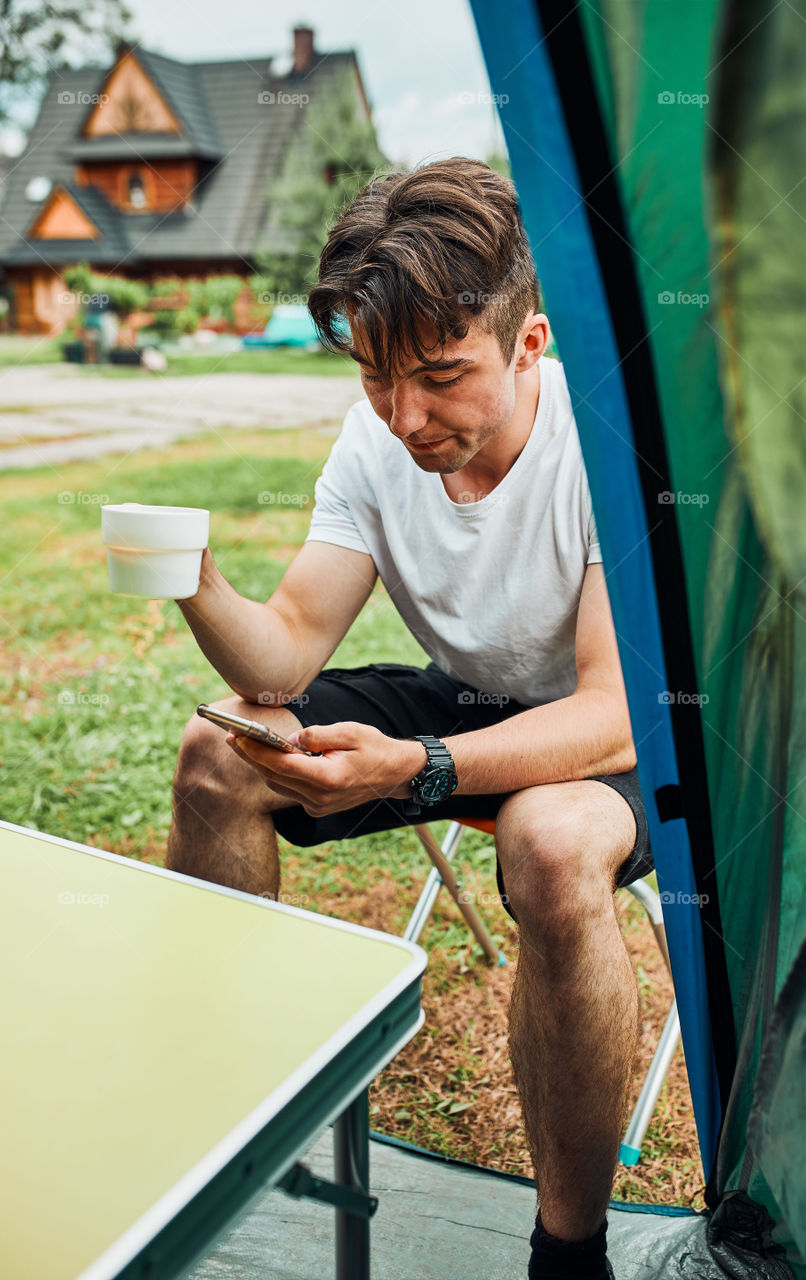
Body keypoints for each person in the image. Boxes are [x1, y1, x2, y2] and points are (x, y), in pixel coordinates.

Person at [166, 157, 651, 1280]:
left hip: (617, 727)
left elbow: (611, 713)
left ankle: (567, 1254)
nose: (407, 417)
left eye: (440, 375)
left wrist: (417, 767)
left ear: (528, 341)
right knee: (218, 750)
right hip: (466, 700)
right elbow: (285, 645)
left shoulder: (606, 438)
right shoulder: (375, 437)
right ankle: (231, 1127)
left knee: (552, 838)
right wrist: (192, 576)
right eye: (379, 378)